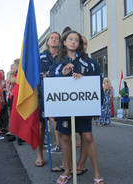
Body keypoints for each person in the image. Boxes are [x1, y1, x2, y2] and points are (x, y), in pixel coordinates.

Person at [50, 30, 104, 184]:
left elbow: (96, 83)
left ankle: (97, 174)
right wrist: (62, 73)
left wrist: (96, 106)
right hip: (64, 108)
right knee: (65, 137)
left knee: (88, 137)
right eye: (70, 39)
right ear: (65, 42)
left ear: (79, 44)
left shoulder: (90, 62)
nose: (73, 42)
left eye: (76, 40)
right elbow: (51, 82)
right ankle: (67, 170)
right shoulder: (58, 62)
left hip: (84, 107)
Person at [35, 31, 61, 167]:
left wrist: (49, 74)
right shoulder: (40, 57)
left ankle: (65, 159)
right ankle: (39, 154)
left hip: (59, 96)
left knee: (61, 125)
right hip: (42, 94)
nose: (54, 40)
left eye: (57, 38)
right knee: (41, 126)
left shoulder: (63, 57)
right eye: (52, 38)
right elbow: (37, 74)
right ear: (47, 41)